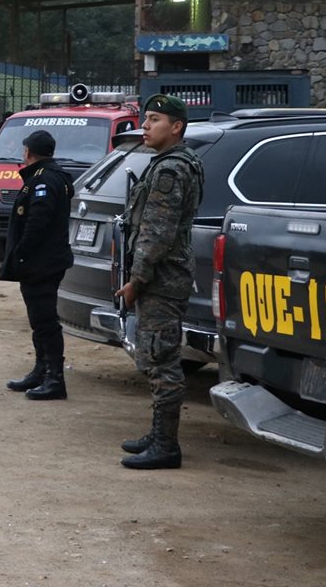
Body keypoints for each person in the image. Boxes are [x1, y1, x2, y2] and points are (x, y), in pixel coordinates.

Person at [114, 94, 204, 469]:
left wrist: (136, 281)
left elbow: (156, 232)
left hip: (162, 278)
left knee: (161, 357)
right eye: (145, 119)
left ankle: (166, 446)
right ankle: (158, 433)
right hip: (165, 274)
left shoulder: (171, 170)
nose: (145, 126)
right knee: (155, 353)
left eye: (153, 120)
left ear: (176, 126)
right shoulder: (170, 163)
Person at [0, 129, 75, 400]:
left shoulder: (44, 180)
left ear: (28, 152)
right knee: (38, 318)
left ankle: (55, 378)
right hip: (44, 260)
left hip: (42, 262)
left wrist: (21, 254)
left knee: (45, 320)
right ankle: (41, 370)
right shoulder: (50, 176)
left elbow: (37, 222)